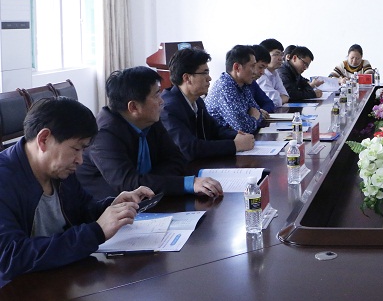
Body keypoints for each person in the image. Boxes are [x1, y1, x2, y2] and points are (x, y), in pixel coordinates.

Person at [0, 97, 154, 287]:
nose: (80, 160)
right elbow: (10, 257)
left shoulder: (60, 169)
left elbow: (82, 210)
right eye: (76, 149)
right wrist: (96, 232)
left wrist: (112, 207)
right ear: (44, 139)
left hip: (60, 280)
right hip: (18, 289)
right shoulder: (5, 180)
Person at [77, 66, 222, 199]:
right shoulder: (104, 135)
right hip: (108, 207)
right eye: (156, 95)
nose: (162, 101)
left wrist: (147, 180)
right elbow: (128, 184)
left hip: (149, 199)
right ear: (133, 107)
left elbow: (177, 159)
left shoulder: (149, 119)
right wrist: (188, 183)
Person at [160, 48, 255, 161]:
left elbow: (215, 130)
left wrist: (236, 135)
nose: (209, 78)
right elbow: (189, 148)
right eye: (204, 73)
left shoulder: (197, 101)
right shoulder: (168, 108)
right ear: (187, 78)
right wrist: (235, 145)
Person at [205, 45, 267, 135]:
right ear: (237, 67)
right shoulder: (225, 88)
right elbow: (243, 129)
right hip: (220, 140)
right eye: (252, 66)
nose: (255, 71)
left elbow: (258, 112)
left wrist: (252, 117)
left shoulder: (243, 85)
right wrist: (254, 117)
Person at [257, 38, 290, 108]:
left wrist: (278, 98)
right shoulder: (260, 75)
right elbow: (274, 101)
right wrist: (279, 97)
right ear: (265, 55)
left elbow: (286, 96)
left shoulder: (275, 73)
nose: (280, 58)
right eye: (276, 54)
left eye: (281, 55)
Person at [249, 44, 276, 112]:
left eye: (264, 68)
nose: (263, 72)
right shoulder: (230, 87)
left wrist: (260, 112)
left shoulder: (252, 83)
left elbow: (269, 103)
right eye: (260, 67)